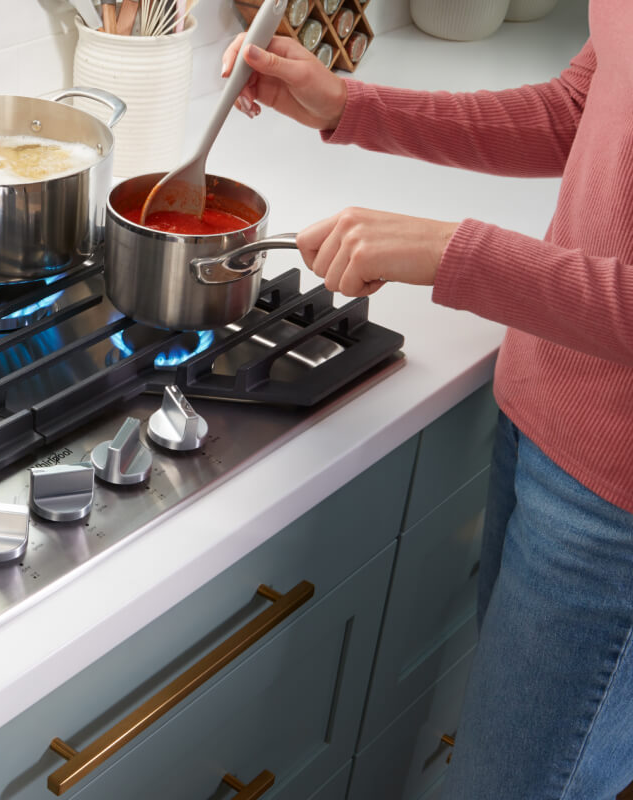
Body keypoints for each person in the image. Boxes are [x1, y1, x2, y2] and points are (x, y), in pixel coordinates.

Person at [220, 7, 633, 798]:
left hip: (617, 503)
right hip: (543, 407)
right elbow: (580, 108)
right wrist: (350, 105)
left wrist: (455, 253)